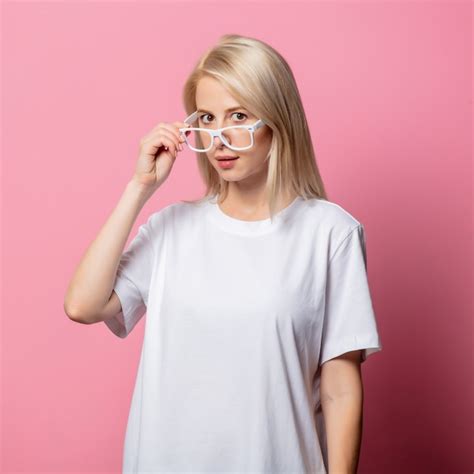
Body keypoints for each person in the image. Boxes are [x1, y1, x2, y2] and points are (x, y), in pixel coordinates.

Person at [64, 34, 382, 474]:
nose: (219, 137)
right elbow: (83, 305)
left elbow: (340, 387)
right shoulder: (172, 229)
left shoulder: (330, 234)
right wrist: (140, 188)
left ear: (278, 120)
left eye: (238, 115)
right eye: (207, 118)